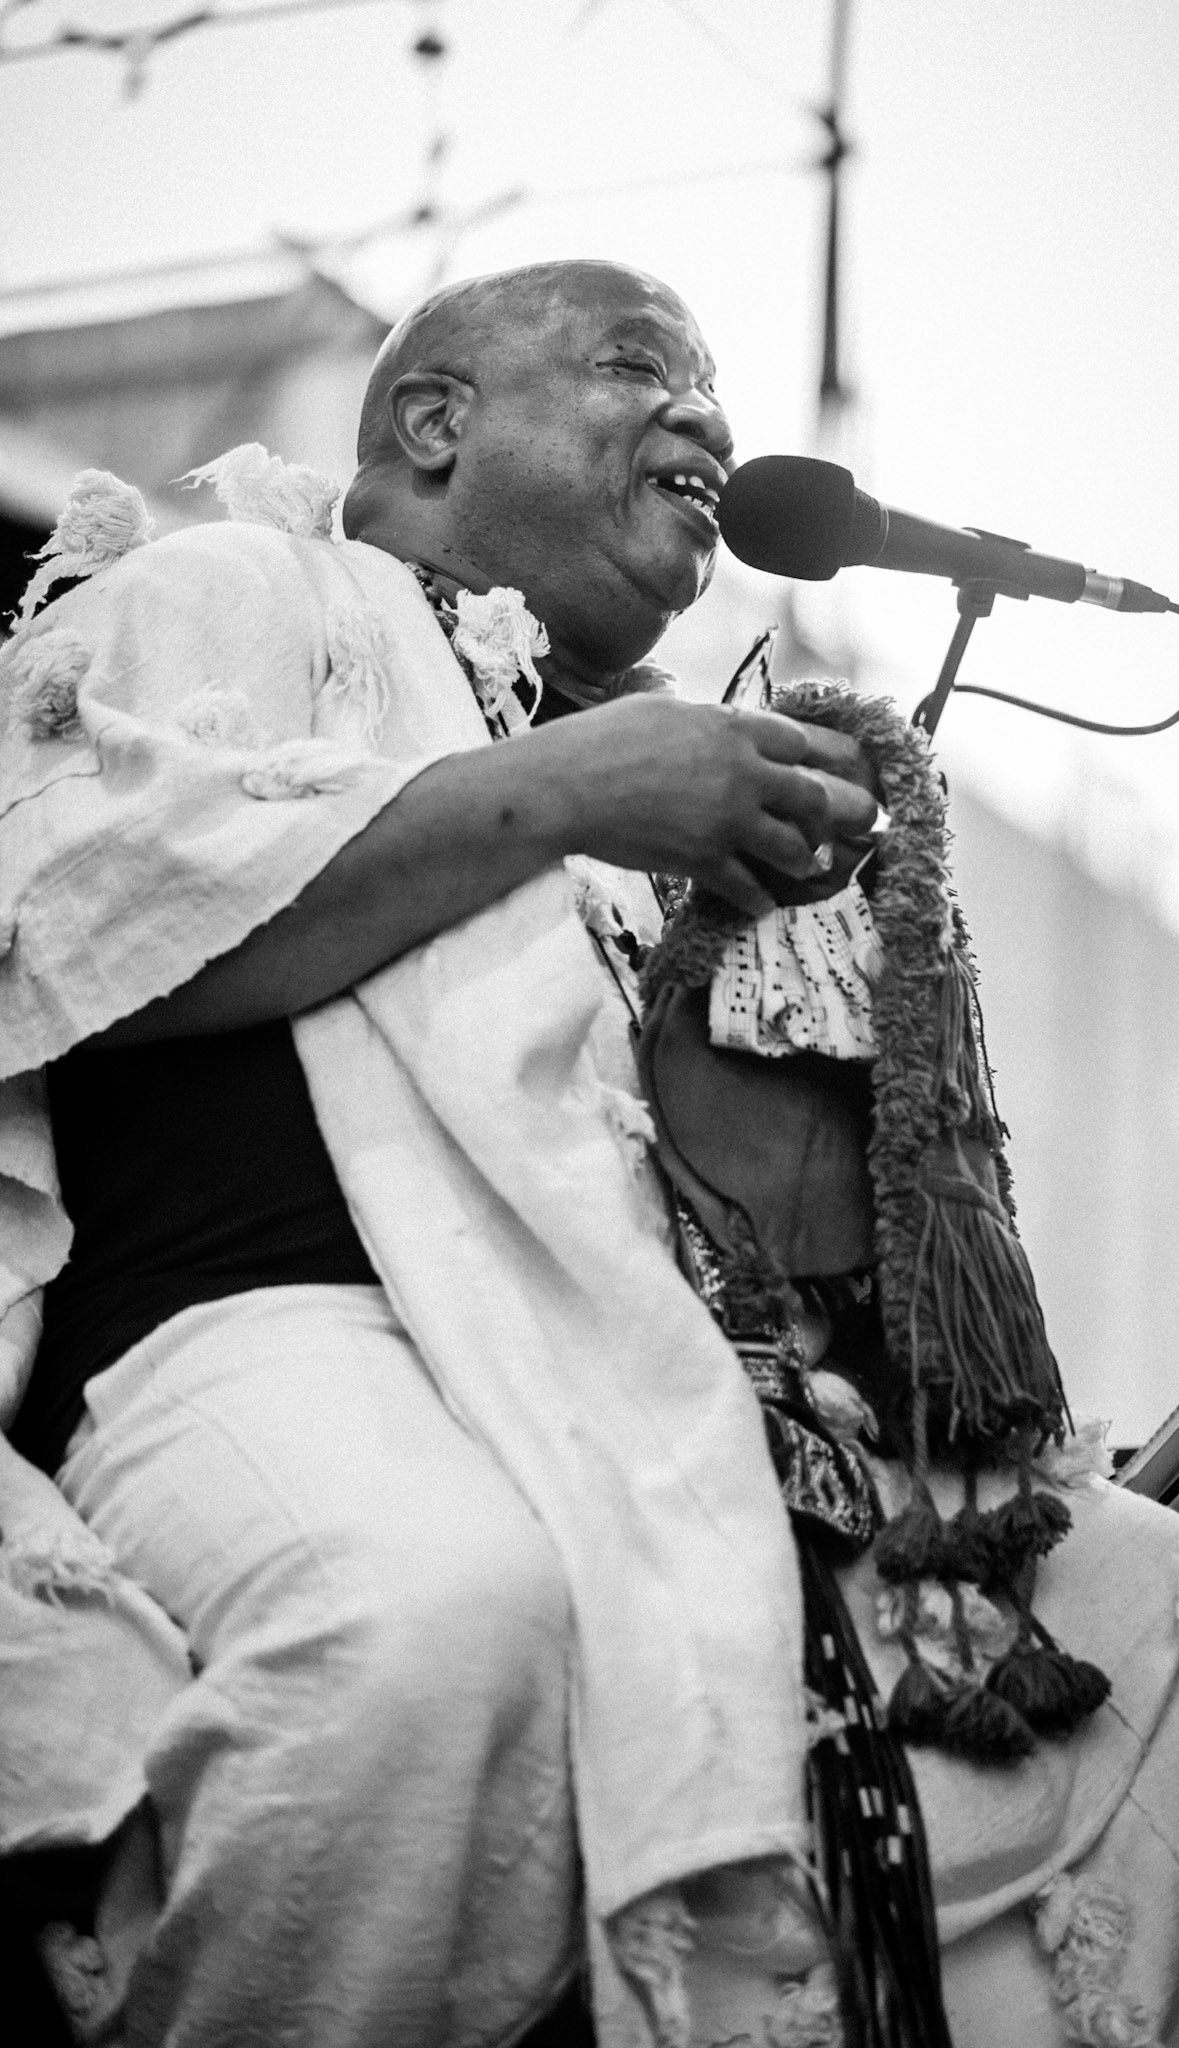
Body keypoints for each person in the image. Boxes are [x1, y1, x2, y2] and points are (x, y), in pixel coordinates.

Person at [0, 261, 885, 2048]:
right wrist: (571, 793)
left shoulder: (673, 775)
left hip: (651, 1400)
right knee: (426, 1628)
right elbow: (60, 933)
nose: (709, 421)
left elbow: (769, 1234)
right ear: (432, 423)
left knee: (1173, 1624)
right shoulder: (236, 584)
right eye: (642, 368)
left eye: (714, 389)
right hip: (262, 1330)